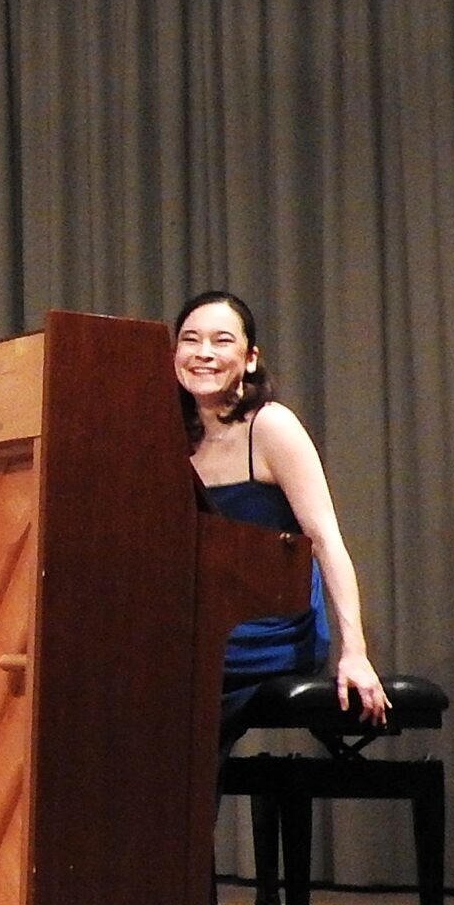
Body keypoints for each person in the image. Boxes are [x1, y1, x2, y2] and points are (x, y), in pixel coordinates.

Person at [173, 290, 390, 745]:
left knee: (162, 681)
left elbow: (326, 539)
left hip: (272, 628)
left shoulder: (270, 426)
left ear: (250, 358)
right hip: (205, 625)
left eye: (221, 341)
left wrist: (355, 653)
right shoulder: (169, 434)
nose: (203, 353)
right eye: (191, 340)